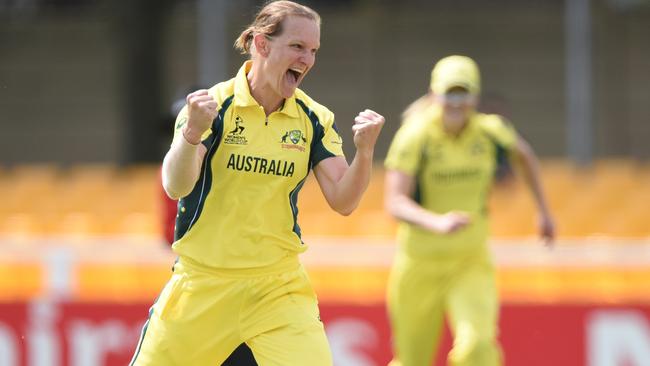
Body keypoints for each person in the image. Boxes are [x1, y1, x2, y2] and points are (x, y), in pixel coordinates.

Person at [130, 1, 385, 365]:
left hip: (277, 288)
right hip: (203, 285)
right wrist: (191, 133)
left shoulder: (314, 118)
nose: (307, 59)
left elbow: (344, 200)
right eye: (297, 47)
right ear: (262, 45)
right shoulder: (211, 107)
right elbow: (176, 185)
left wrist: (365, 152)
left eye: (313, 50)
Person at [383, 55, 554, 366]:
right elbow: (394, 201)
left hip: (470, 262)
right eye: (450, 93)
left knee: (476, 350)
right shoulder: (415, 135)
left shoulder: (491, 131)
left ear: (475, 96)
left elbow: (525, 156)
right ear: (435, 94)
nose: (456, 103)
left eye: (464, 93)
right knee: (411, 361)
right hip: (419, 264)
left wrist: (543, 210)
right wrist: (436, 222)